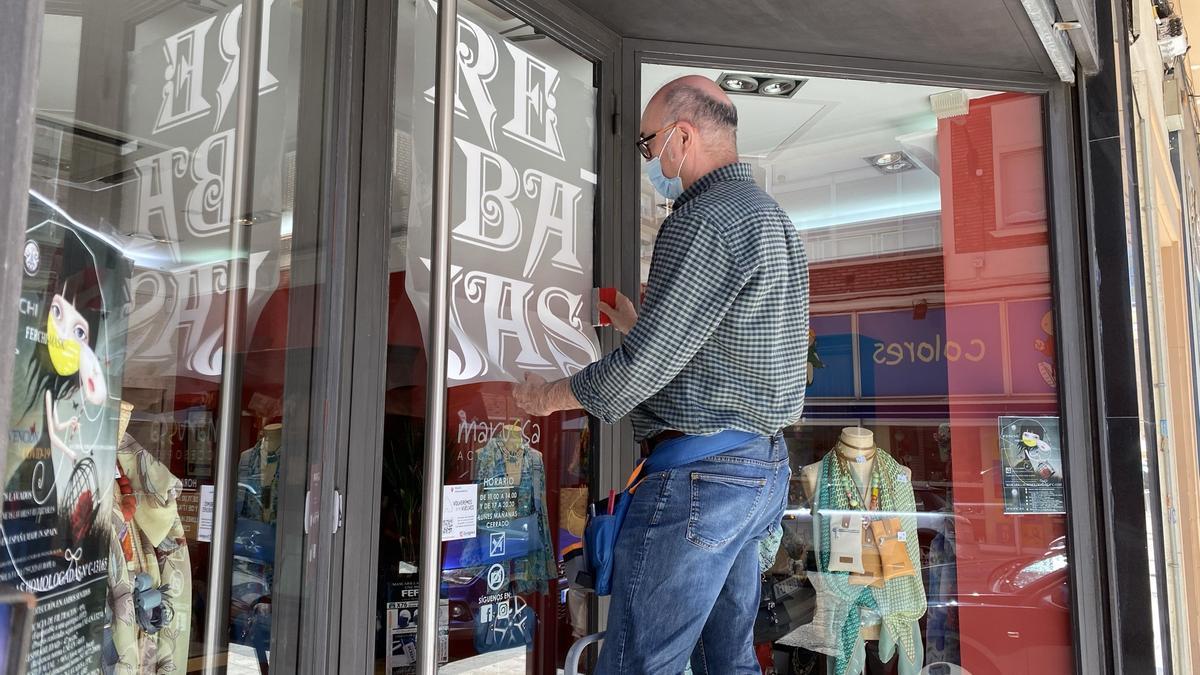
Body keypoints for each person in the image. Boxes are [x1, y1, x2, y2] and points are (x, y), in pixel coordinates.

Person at [514, 75, 809, 673]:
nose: (652, 160)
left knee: (639, 664)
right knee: (728, 662)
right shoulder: (770, 218)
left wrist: (544, 397)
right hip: (758, 473)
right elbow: (726, 348)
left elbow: (643, 371)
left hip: (701, 480)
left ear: (682, 135)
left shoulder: (703, 221)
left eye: (649, 145)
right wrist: (640, 322)